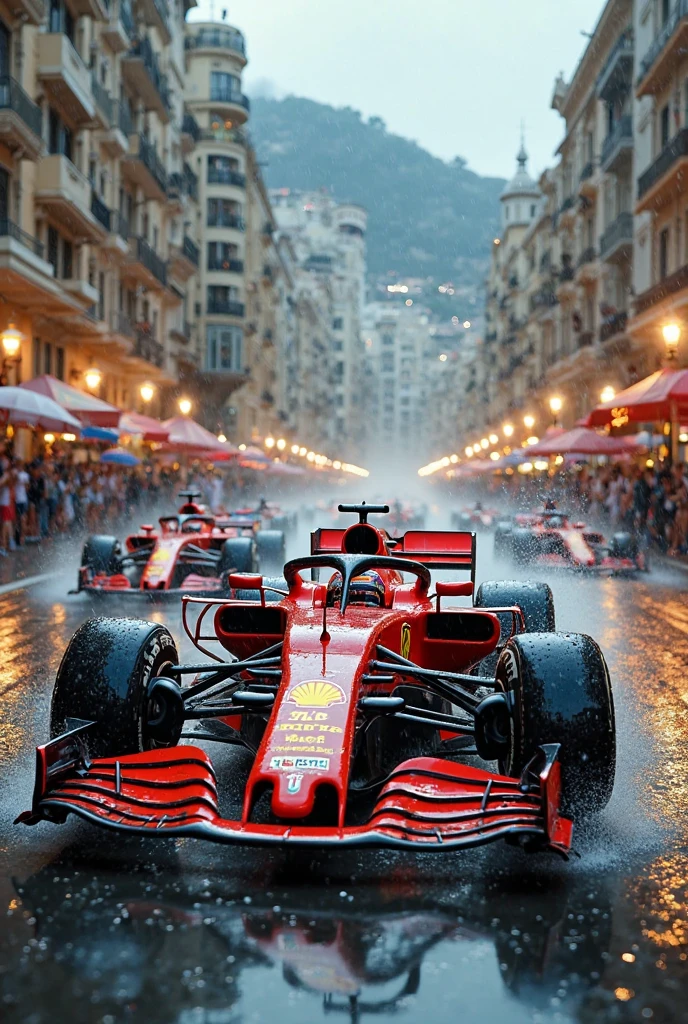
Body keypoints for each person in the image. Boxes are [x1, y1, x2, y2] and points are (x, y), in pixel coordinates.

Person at [0, 457, 14, 554]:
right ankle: (6, 544)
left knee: (6, 523)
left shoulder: (7, 475)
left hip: (5, 503)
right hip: (4, 502)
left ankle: (4, 545)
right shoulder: (7, 475)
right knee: (6, 523)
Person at [13, 459, 29, 546]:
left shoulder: (25, 475)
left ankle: (22, 537)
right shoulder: (15, 474)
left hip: (22, 499)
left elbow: (27, 487)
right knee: (16, 520)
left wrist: (23, 483)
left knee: (22, 519)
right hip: (16, 499)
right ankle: (16, 537)